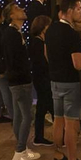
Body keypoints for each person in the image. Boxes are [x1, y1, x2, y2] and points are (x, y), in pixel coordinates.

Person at [44, 0, 81, 160]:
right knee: (71, 124)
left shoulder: (50, 29)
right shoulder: (71, 34)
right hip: (71, 83)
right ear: (70, 11)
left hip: (55, 81)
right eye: (79, 9)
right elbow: (77, 63)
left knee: (58, 120)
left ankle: (58, 158)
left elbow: (46, 55)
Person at [3, 5, 39, 160]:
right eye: (18, 8)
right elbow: (15, 59)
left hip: (18, 79)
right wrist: (26, 72)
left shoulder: (16, 32)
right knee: (28, 116)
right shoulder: (11, 34)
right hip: (20, 80)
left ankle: (23, 148)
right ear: (11, 15)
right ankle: (19, 153)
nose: (23, 9)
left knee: (18, 115)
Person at [28, 15, 54, 148]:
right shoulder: (37, 42)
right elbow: (41, 62)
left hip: (42, 77)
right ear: (44, 27)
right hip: (42, 78)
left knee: (43, 107)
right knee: (48, 105)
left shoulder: (39, 41)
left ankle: (39, 136)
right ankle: (61, 134)